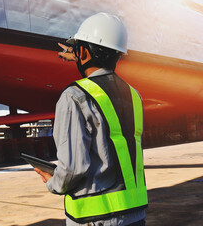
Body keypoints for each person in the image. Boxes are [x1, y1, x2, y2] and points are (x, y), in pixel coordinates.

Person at [34, 12, 148, 226]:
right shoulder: (134, 95)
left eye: (79, 49)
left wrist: (53, 182)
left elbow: (72, 169)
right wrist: (82, 54)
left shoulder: (74, 97)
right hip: (135, 215)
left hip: (95, 219)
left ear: (84, 51)